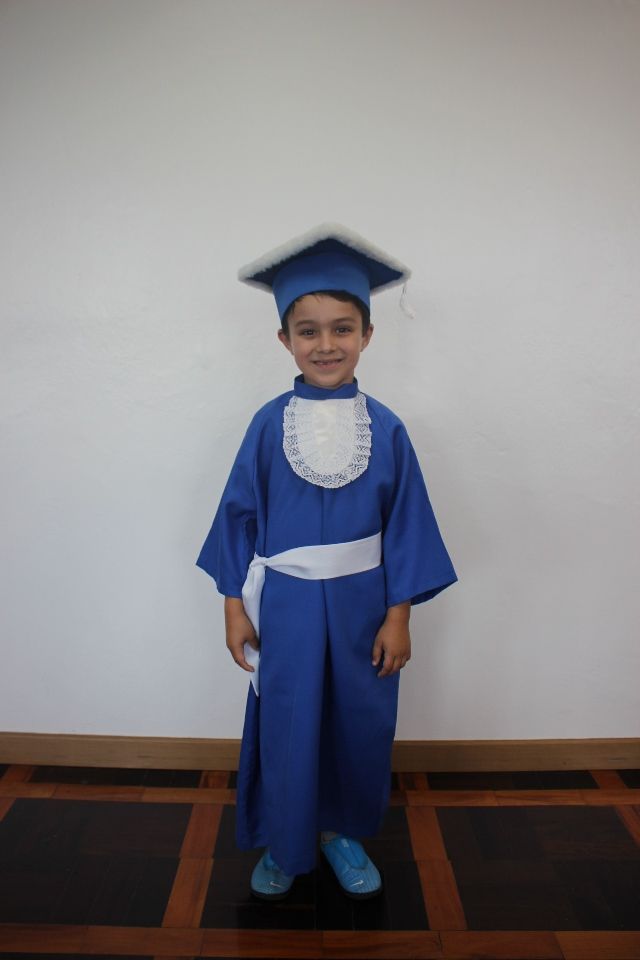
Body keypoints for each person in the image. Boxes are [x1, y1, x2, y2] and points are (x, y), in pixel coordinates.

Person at [197, 223, 457, 901]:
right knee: (287, 721)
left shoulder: (388, 429)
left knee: (356, 723)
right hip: (285, 607)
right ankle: (285, 842)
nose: (326, 344)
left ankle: (342, 832)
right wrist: (232, 607)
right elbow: (237, 518)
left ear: (367, 334)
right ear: (284, 339)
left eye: (342, 329)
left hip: (362, 607)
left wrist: (399, 617)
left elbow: (408, 529)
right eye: (307, 331)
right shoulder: (267, 425)